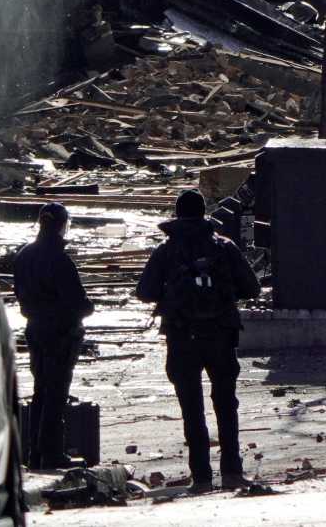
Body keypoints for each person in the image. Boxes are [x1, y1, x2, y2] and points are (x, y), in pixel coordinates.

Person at [133, 190, 261, 493]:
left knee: (191, 407)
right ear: (205, 213)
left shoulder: (165, 250)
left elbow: (145, 291)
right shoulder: (224, 247)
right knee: (226, 405)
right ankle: (231, 471)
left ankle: (201, 477)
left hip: (182, 336)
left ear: (177, 214)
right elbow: (252, 288)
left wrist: (172, 290)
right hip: (221, 334)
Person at [10, 202, 92, 469]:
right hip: (60, 333)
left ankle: (35, 452)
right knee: (56, 392)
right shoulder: (59, 259)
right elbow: (78, 302)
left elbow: (19, 294)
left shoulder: (24, 256)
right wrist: (87, 309)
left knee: (40, 390)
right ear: (61, 225)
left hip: (34, 329)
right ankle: (52, 453)